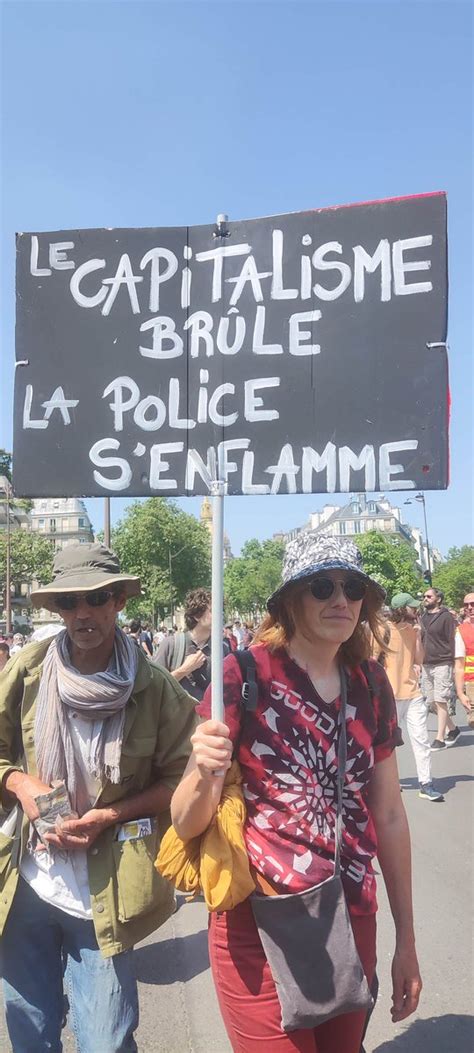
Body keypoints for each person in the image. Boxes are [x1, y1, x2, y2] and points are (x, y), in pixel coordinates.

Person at [171, 534, 422, 1053]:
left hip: (352, 917)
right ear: (290, 600)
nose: (341, 600)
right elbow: (184, 822)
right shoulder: (241, 675)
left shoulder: (371, 683)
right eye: (322, 586)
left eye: (353, 588)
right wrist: (202, 767)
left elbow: (392, 815)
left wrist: (408, 942)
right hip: (258, 924)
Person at [0, 543, 196, 1053]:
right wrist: (23, 785)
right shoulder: (28, 671)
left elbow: (184, 778)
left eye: (97, 597)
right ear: (56, 610)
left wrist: (110, 815)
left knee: (106, 1039)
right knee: (30, 1029)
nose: (83, 612)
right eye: (70, 602)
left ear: (119, 602)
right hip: (29, 881)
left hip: (106, 888)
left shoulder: (153, 688)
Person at [382, 594, 444, 802]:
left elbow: (420, 659)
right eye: (412, 607)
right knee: (388, 742)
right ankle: (390, 782)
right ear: (401, 609)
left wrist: (417, 637)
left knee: (421, 740)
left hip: (413, 693)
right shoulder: (383, 629)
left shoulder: (412, 630)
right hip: (390, 695)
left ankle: (426, 784)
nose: (416, 610)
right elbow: (370, 659)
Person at [155, 588, 229, 702]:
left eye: (221, 610)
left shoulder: (222, 649)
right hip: (176, 718)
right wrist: (184, 670)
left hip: (208, 718)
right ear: (197, 615)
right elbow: (154, 687)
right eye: (213, 610)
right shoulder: (171, 644)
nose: (220, 614)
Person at [420, 587, 460, 750]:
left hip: (443, 662)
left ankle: (440, 738)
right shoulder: (422, 617)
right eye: (424, 596)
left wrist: (455, 664)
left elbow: (452, 640)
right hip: (426, 663)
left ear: (438, 599)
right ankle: (453, 729)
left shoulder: (446, 617)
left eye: (429, 596)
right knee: (431, 702)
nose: (425, 598)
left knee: (440, 700)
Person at [454, 592, 474, 729]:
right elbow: (459, 666)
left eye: (473, 604)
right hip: (471, 684)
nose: (470, 607)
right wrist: (460, 693)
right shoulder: (461, 631)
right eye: (466, 605)